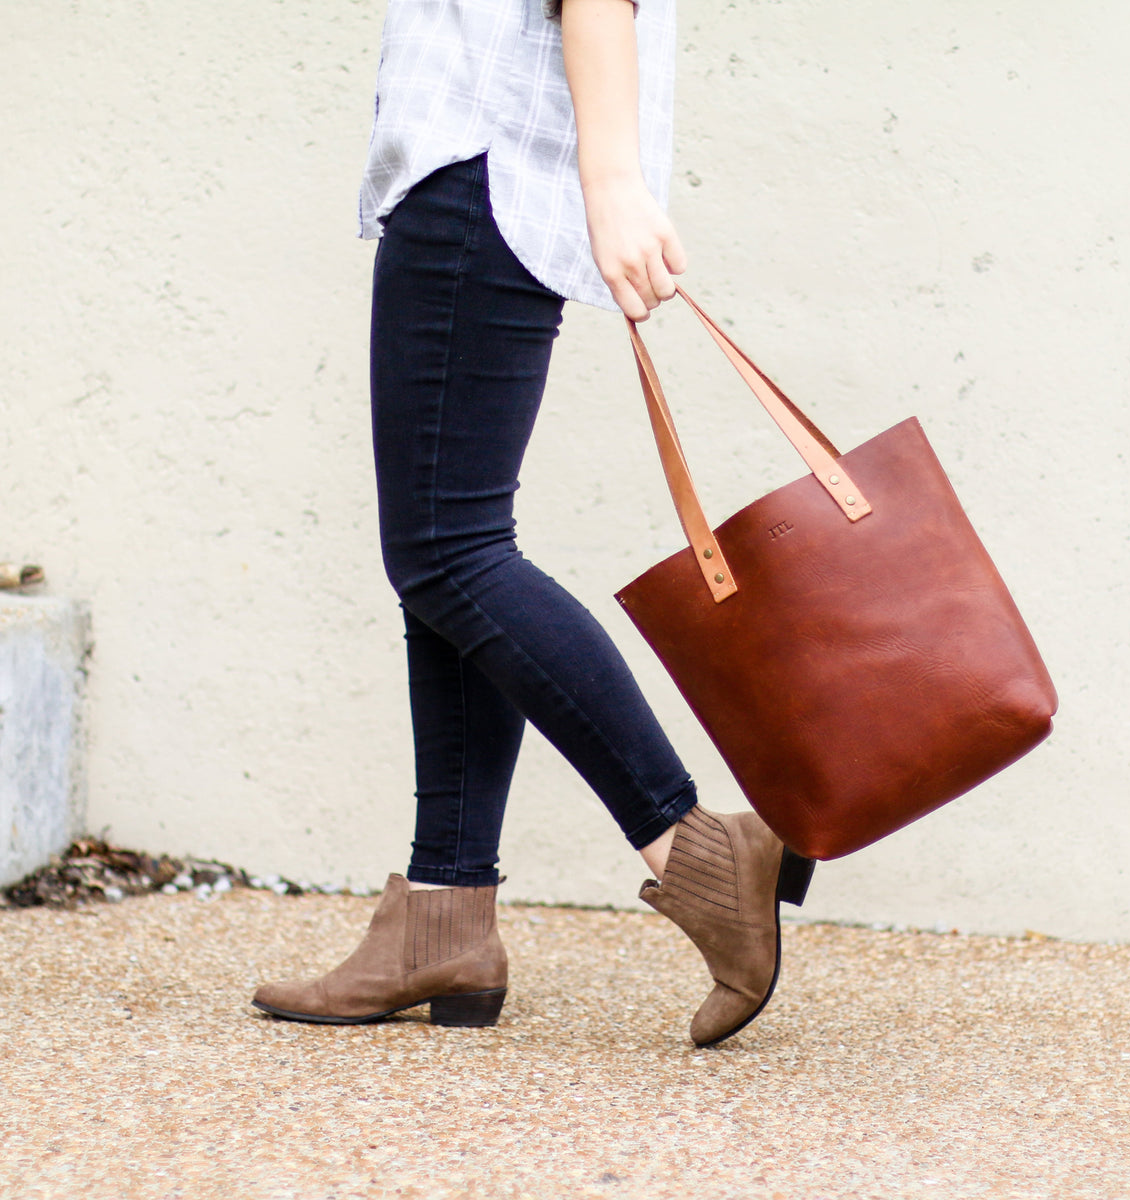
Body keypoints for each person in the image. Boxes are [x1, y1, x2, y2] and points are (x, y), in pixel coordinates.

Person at [252, 0, 814, 1047]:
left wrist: (614, 180)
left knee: (450, 554)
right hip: (485, 170)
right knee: (445, 560)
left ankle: (692, 847)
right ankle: (444, 914)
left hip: (477, 167)